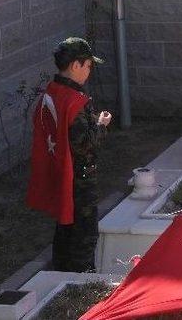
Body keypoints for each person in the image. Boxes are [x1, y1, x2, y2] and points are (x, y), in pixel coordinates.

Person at [27, 37, 112, 272]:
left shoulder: (52, 93)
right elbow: (85, 144)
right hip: (79, 179)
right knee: (83, 236)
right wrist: (102, 125)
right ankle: (81, 281)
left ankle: (61, 274)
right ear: (76, 65)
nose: (89, 71)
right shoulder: (76, 101)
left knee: (64, 230)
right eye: (88, 66)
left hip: (62, 171)